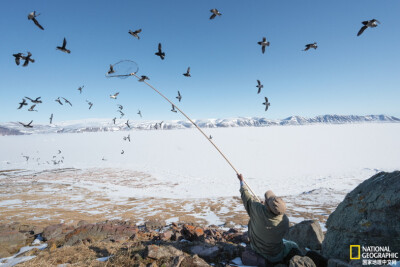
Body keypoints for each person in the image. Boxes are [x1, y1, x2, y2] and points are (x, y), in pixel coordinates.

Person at [237, 173, 302, 266]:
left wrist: (241, 182)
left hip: (257, 249)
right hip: (276, 253)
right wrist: (266, 207)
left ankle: (265, 262)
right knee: (292, 245)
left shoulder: (258, 210)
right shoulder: (285, 220)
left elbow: (246, 198)